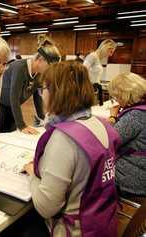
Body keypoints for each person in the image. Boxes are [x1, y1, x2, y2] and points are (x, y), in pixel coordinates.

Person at [20, 61, 119, 236]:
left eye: (43, 88)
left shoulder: (64, 139)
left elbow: (46, 207)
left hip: (74, 230)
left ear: (55, 93)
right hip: (104, 222)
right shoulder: (103, 124)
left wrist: (33, 174)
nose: (41, 94)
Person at [0, 35, 61, 134]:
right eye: (49, 67)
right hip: (1, 106)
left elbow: (37, 97)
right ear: (40, 60)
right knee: (1, 135)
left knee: (13, 134)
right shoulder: (20, 68)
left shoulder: (39, 74)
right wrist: (22, 125)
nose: (50, 71)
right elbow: (14, 97)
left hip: (13, 107)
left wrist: (43, 119)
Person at [108, 72, 146, 204]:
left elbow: (109, 140)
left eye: (117, 96)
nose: (117, 100)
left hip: (135, 178)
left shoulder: (135, 116)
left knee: (92, 172)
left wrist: (112, 117)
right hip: (140, 169)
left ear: (125, 94)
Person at [84, 39, 117, 106]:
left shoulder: (98, 58)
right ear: (105, 48)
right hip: (88, 90)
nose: (111, 55)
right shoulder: (92, 56)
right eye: (111, 51)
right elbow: (82, 71)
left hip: (94, 90)